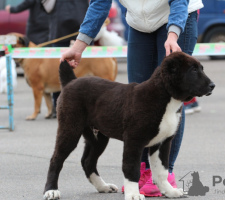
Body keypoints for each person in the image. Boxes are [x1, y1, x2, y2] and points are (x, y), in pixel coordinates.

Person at [61, 0, 203, 197]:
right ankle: (142, 171)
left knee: (173, 95)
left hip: (178, 17)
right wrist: (79, 46)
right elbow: (99, 4)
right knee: (139, 100)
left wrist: (173, 34)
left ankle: (164, 173)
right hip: (139, 23)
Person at [47, 0, 89, 118]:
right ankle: (85, 106)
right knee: (83, 68)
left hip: (59, 24)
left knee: (59, 68)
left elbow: (46, 6)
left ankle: (58, 106)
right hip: (82, 20)